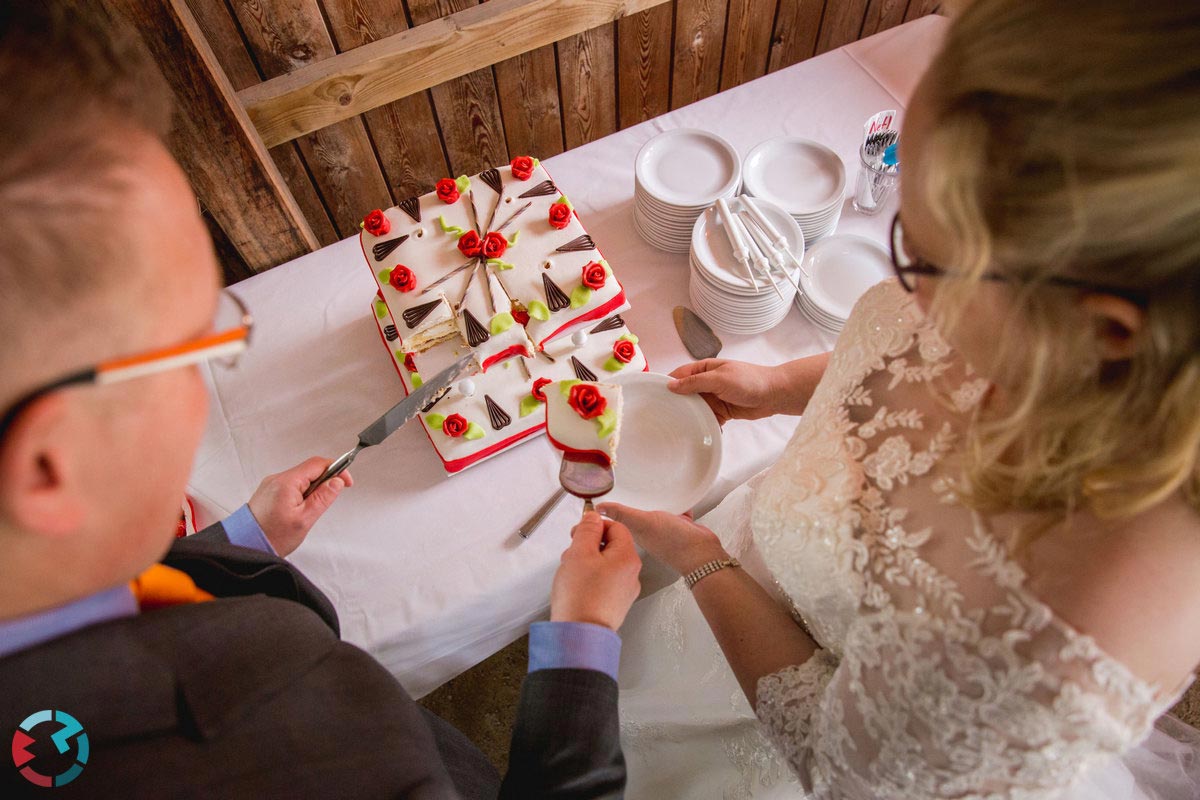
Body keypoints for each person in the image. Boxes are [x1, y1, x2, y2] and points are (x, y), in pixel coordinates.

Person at [0, 2, 641, 797]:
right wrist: (581, 638)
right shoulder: (303, 747)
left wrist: (241, 544)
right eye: (191, 342)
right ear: (49, 464)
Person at [603, 1, 1200, 797]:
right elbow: (909, 344)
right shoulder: (1034, 326)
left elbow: (837, 763)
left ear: (1106, 330)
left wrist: (701, 559)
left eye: (919, 254)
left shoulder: (1050, 641)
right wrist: (781, 385)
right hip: (775, 550)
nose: (900, 287)